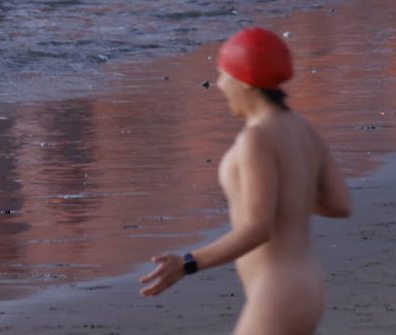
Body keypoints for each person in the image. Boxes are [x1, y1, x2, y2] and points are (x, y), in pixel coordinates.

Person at [139, 28, 351, 333]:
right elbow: (339, 204)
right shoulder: (302, 128)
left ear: (245, 81)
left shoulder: (257, 138)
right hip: (309, 285)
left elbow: (258, 228)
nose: (219, 84)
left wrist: (187, 263)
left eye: (223, 74)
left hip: (277, 292)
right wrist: (289, 190)